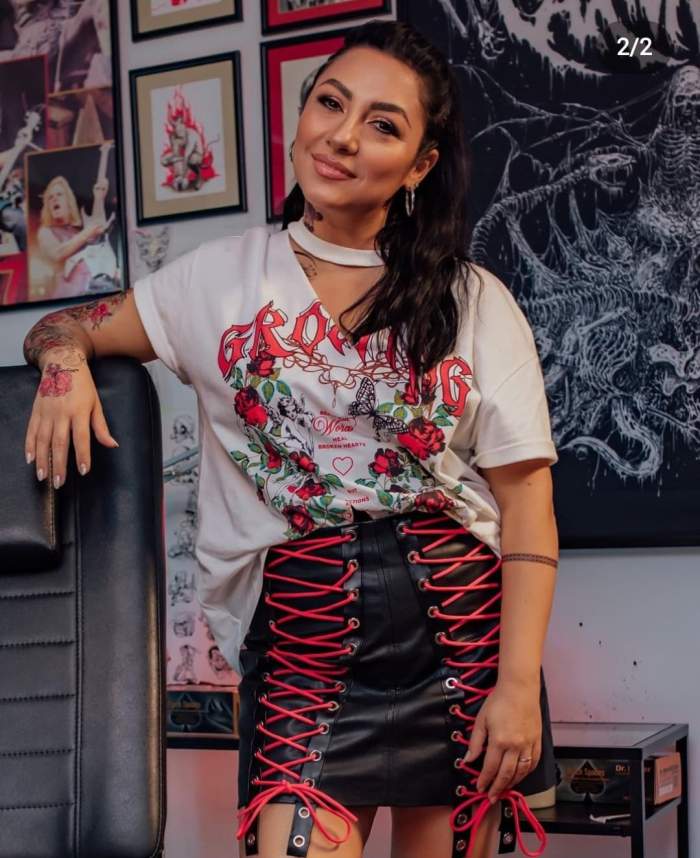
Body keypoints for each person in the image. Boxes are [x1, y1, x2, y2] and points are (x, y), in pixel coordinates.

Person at [22, 20, 559, 858]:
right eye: (330, 103)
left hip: (461, 642)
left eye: (382, 124)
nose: (342, 136)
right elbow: (65, 325)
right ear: (304, 113)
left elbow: (528, 506)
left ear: (419, 164)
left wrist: (518, 685)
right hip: (305, 647)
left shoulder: (474, 299)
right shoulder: (216, 281)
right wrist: (63, 364)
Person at [36, 174, 110, 299]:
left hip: (89, 295)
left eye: (59, 194)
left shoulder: (76, 231)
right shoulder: (45, 232)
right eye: (50, 197)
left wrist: (99, 198)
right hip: (64, 298)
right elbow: (57, 253)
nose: (54, 199)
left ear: (68, 201)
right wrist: (86, 233)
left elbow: (98, 229)